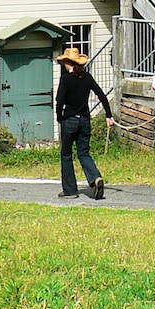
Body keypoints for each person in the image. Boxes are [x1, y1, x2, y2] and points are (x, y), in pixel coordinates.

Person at [54, 47, 115, 199]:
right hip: (85, 120)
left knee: (67, 154)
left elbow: (59, 101)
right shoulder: (87, 77)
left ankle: (70, 190)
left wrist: (59, 116)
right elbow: (101, 94)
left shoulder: (66, 79)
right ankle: (95, 178)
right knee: (84, 153)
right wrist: (108, 115)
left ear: (68, 63)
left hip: (70, 120)